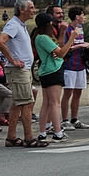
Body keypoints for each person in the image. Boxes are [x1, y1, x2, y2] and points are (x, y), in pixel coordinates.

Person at [0, 0, 41, 148]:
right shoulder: (14, 25)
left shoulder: (20, 25)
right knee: (27, 103)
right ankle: (29, 137)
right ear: (22, 10)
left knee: (18, 103)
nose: (33, 10)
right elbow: (0, 42)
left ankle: (11, 137)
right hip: (18, 70)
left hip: (23, 70)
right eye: (31, 7)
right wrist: (13, 60)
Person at [33, 10, 70, 143]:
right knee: (55, 103)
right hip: (53, 70)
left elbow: (57, 48)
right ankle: (58, 132)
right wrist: (72, 37)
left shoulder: (40, 37)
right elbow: (61, 53)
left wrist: (63, 33)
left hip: (46, 71)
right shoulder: (43, 38)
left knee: (47, 103)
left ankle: (43, 132)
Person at [61, 3, 89, 129]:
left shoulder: (80, 28)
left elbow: (80, 42)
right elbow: (66, 47)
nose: (84, 17)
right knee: (68, 92)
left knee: (78, 92)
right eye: (82, 15)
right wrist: (80, 46)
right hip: (70, 65)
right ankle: (64, 119)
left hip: (80, 65)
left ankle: (75, 118)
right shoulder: (68, 31)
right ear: (77, 16)